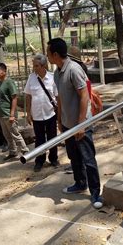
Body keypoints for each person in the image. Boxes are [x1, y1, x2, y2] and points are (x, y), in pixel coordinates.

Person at [47, 38, 103, 209]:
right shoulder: (57, 72)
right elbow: (61, 98)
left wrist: (81, 125)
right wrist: (59, 120)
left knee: (88, 158)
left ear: (55, 54)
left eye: (48, 53)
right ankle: (80, 183)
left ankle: (95, 192)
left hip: (81, 124)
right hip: (67, 124)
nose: (47, 55)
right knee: (73, 157)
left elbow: (84, 96)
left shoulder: (74, 69)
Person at [24, 54, 59, 172]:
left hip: (50, 114)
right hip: (37, 116)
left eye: (36, 66)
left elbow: (58, 96)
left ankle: (53, 159)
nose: (34, 68)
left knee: (52, 138)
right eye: (33, 65)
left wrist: (60, 113)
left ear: (44, 66)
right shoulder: (31, 78)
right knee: (39, 140)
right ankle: (39, 161)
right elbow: (28, 96)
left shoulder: (52, 78)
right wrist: (28, 113)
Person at [0, 62, 29, 160]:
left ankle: (25, 151)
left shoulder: (9, 82)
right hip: (2, 114)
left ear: (4, 71)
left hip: (8, 113)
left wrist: (12, 114)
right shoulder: (0, 83)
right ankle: (13, 151)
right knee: (7, 135)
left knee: (15, 133)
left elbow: (14, 98)